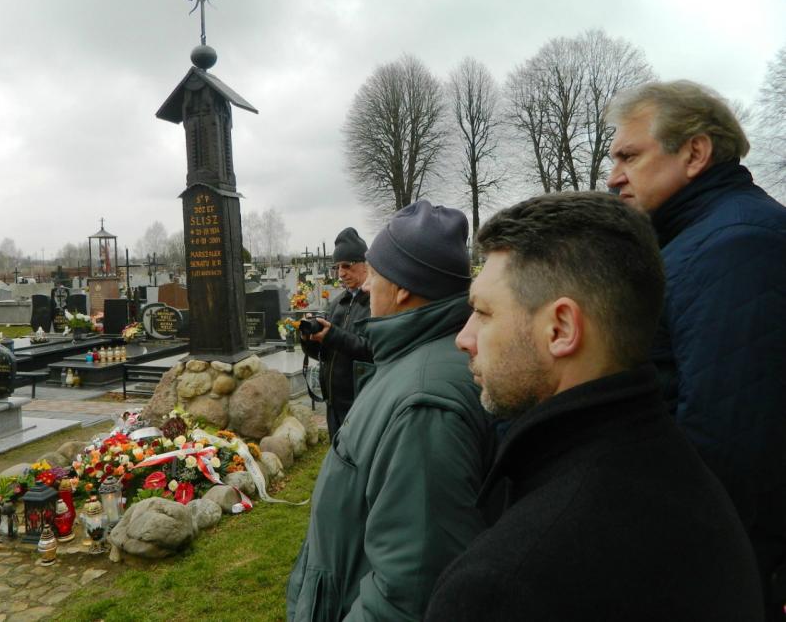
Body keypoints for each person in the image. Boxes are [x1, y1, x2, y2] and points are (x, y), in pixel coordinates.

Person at [425, 192, 763, 621]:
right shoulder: (689, 481)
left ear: (561, 329)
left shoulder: (502, 586)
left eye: (484, 312)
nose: (464, 338)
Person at [606, 80, 786, 616]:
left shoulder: (738, 246)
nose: (613, 176)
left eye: (629, 156)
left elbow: (730, 450)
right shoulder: (699, 240)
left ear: (695, 153)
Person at [287, 201, 494, 621]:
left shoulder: (424, 407)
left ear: (402, 289)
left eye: (375, 275)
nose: (365, 287)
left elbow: (410, 592)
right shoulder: (410, 360)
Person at [299, 227, 372, 438]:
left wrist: (333, 335)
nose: (341, 273)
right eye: (337, 267)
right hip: (333, 403)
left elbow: (372, 349)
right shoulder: (338, 302)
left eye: (347, 265)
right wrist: (308, 339)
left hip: (360, 404)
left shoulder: (376, 301)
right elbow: (324, 354)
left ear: (365, 264)